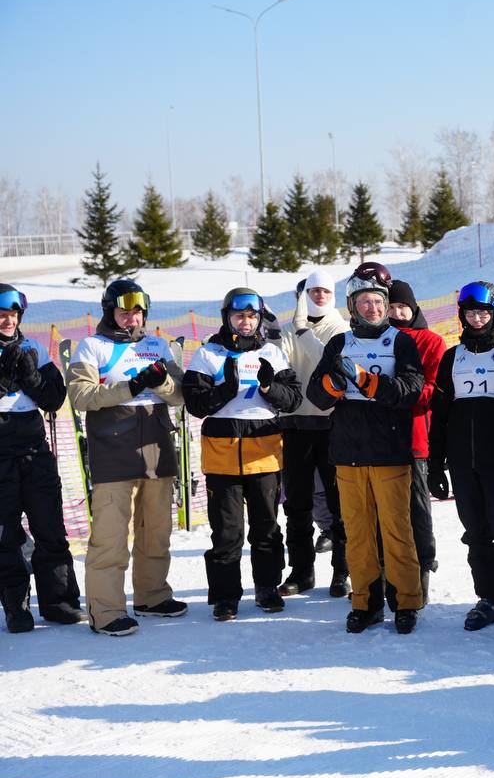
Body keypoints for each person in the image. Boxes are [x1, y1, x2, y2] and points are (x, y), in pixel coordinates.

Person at [307, 263, 425, 634]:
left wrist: (364, 379)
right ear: (352, 305)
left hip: (390, 452)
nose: (371, 308)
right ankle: (365, 602)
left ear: (386, 304)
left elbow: (409, 391)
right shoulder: (340, 342)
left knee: (397, 532)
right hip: (349, 453)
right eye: (364, 302)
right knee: (357, 534)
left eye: (377, 301)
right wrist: (334, 383)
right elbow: (315, 395)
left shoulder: (401, 341)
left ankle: (406, 602)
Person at [67, 279, 187, 636]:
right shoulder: (92, 347)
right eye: (123, 311)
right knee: (111, 534)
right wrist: (131, 387)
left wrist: (160, 381)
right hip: (113, 448)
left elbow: (181, 395)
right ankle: (105, 610)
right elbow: (81, 396)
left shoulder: (157, 345)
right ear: (110, 312)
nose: (131, 318)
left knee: (156, 531)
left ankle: (151, 595)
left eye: (137, 311)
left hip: (156, 447)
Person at [182, 289, 301, 620]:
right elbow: (195, 404)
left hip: (263, 451)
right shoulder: (208, 355)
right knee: (227, 530)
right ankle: (225, 596)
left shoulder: (273, 354)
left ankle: (266, 587)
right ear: (227, 318)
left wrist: (268, 388)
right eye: (239, 316)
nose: (245, 322)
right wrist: (226, 389)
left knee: (266, 525)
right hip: (222, 453)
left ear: (259, 319)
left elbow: (292, 400)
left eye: (251, 316)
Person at [428, 280, 494, 636]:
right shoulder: (451, 357)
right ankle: (491, 598)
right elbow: (441, 413)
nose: (477, 319)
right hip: (463, 464)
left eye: (483, 312)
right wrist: (435, 464)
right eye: (471, 312)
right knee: (476, 534)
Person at [0, 284, 84, 631]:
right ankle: (16, 606)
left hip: (34, 448)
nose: (8, 321)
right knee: (6, 536)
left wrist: (32, 378)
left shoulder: (33, 347)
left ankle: (59, 601)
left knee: (49, 528)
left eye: (13, 315)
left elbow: (54, 399)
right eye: (2, 315)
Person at [277, 270, 350, 598]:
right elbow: (284, 367)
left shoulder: (341, 328)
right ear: (303, 294)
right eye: (313, 291)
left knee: (340, 504)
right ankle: (301, 571)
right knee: (297, 504)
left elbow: (332, 362)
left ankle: (342, 571)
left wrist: (303, 331)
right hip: (295, 424)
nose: (319, 296)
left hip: (332, 425)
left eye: (324, 291)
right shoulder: (288, 330)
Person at [386, 279, 446, 603]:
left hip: (415, 437)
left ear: (414, 308)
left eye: (402, 307)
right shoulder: (380, 339)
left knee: (416, 510)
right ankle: (387, 577)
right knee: (386, 512)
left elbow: (433, 390)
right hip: (379, 439)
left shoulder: (431, 341)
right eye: (391, 307)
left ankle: (423, 568)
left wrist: (394, 393)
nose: (397, 313)